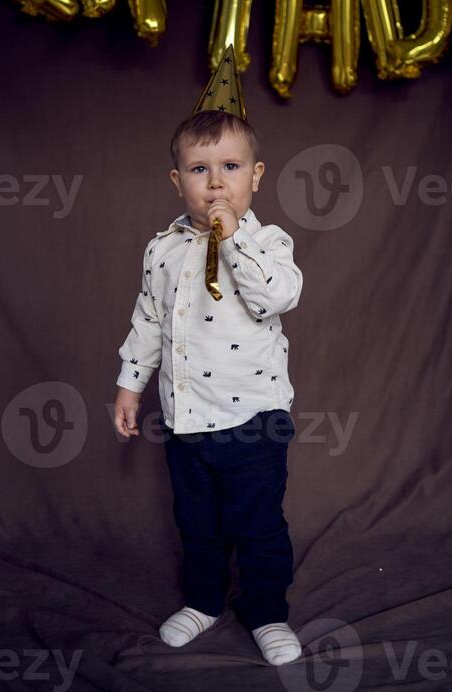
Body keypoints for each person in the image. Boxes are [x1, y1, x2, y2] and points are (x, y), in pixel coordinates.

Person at [114, 52, 304, 666]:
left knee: (258, 525)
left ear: (256, 176)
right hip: (186, 419)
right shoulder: (162, 248)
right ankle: (203, 601)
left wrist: (234, 237)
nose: (216, 182)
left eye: (230, 167)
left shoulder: (268, 241)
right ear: (178, 181)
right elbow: (148, 318)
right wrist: (129, 386)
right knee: (196, 523)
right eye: (200, 169)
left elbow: (279, 295)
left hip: (255, 419)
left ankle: (267, 611)